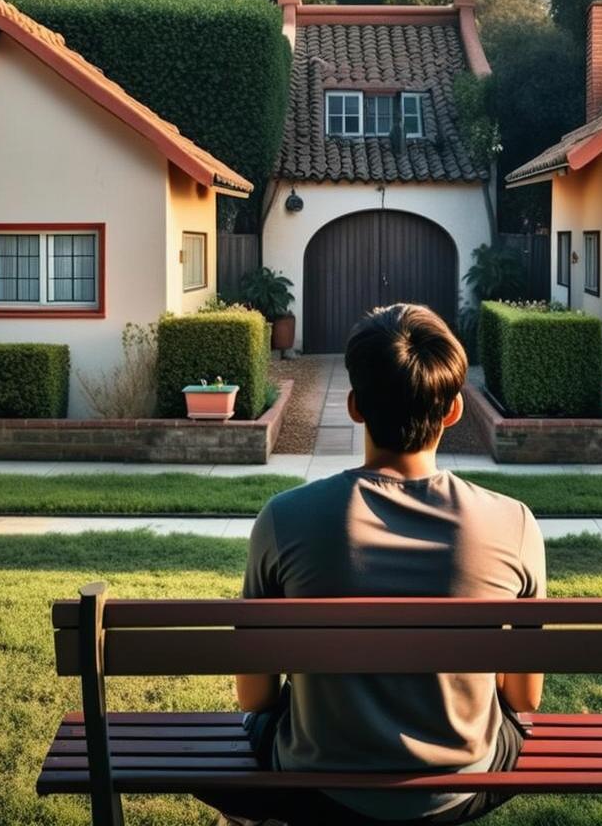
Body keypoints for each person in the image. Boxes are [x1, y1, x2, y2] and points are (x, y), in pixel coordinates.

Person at [198, 302, 545, 826]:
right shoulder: (513, 522)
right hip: (461, 781)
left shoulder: (284, 518)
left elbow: (256, 694)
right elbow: (524, 696)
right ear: (452, 410)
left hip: (319, 781)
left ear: (355, 406)